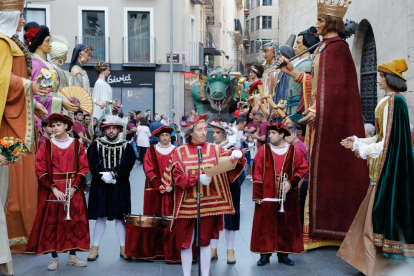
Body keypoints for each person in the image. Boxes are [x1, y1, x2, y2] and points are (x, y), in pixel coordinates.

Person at [277, 0, 369, 249]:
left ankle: (331, 228)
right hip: (319, 123)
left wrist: (318, 109)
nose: (316, 23)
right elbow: (316, 83)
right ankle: (316, 229)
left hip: (332, 124)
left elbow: (339, 90)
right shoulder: (322, 48)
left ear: (330, 22)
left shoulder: (338, 49)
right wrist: (291, 72)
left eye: (319, 19)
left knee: (330, 172)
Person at [337, 59, 414, 276]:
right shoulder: (388, 101)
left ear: (390, 78)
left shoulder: (395, 102)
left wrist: (361, 148)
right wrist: (359, 142)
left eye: (381, 76)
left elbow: (388, 142)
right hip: (379, 169)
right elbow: (382, 137)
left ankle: (375, 268)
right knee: (369, 219)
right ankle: (368, 265)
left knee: (373, 219)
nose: (379, 80)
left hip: (386, 171)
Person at [0, 6, 49, 262]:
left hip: (22, 117)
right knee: (13, 180)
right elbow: (2, 79)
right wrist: (29, 86)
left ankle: (28, 234)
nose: (22, 19)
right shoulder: (2, 42)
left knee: (25, 180)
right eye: (19, 15)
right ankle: (12, 237)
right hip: (9, 123)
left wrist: (34, 102)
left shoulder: (12, 41)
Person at [169, 114, 245, 276]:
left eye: (205, 129)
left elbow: (231, 158)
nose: (204, 133)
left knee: (205, 242)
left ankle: (204, 274)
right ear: (191, 132)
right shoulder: (179, 152)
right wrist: (197, 178)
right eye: (200, 130)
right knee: (185, 243)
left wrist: (237, 154)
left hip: (209, 206)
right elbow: (178, 178)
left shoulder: (215, 149)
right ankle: (186, 274)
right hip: (186, 206)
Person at [26, 113, 89, 270]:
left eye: (58, 125)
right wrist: (53, 189)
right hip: (53, 189)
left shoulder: (77, 144)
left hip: (72, 188)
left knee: (73, 222)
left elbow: (84, 167)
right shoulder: (46, 145)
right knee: (53, 222)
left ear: (66, 126)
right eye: (52, 125)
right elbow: (40, 169)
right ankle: (54, 258)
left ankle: (73, 256)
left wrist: (74, 188)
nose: (54, 128)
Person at [251, 123, 308, 266]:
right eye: (269, 133)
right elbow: (257, 172)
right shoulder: (263, 150)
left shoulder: (294, 151)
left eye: (273, 134)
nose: (269, 136)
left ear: (282, 134)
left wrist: (291, 182)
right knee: (265, 224)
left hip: (287, 196)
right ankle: (265, 255)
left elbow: (302, 168)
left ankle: (284, 255)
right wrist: (257, 195)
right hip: (267, 195)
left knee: (286, 224)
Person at [87, 115, 135, 261]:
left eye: (114, 128)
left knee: (120, 218)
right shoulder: (95, 145)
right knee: (100, 217)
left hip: (120, 186)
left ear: (119, 129)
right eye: (108, 128)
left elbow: (128, 163)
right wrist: (102, 174)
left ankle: (123, 247)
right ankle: (94, 248)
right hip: (100, 185)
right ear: (104, 129)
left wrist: (114, 174)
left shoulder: (127, 146)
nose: (111, 131)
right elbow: (92, 161)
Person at [25, 22, 78, 132]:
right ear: (39, 43)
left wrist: (63, 99)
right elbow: (37, 95)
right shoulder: (36, 64)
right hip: (44, 110)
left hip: (52, 102)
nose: (50, 45)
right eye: (47, 41)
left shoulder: (45, 62)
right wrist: (61, 101)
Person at [208, 120, 246, 264]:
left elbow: (240, 167)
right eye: (214, 132)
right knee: (213, 217)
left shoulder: (232, 148)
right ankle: (213, 249)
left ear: (225, 134)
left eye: (218, 133)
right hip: (213, 186)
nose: (215, 135)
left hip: (229, 186)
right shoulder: (209, 148)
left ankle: (230, 250)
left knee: (231, 217)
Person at [284, 27, 320, 124]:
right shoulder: (299, 64)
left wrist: (295, 116)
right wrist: (285, 107)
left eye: (298, 43)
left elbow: (306, 93)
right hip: (292, 110)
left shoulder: (307, 65)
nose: (295, 46)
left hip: (300, 113)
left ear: (306, 46)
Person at [69, 44, 105, 110]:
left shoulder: (80, 70)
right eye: (88, 55)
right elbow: (79, 94)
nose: (89, 58)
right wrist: (96, 102)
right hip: (79, 110)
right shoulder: (76, 70)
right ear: (80, 54)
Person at [285, 126, 309, 227]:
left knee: (300, 209)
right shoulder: (298, 145)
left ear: (294, 135)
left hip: (302, 182)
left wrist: (297, 188)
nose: (285, 138)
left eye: (287, 135)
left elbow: (301, 170)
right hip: (301, 182)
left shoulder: (298, 148)